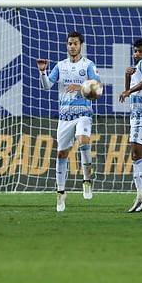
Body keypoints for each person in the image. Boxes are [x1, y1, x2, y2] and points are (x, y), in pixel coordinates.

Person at [37, 31, 101, 212]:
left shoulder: (88, 65)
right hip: (64, 116)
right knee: (61, 155)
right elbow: (47, 86)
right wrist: (43, 72)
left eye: (75, 43)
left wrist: (81, 87)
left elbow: (98, 88)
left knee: (83, 140)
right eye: (70, 44)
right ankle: (60, 193)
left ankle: (87, 180)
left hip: (83, 113)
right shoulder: (60, 66)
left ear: (81, 45)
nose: (72, 46)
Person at [119, 38, 142, 212]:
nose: (137, 54)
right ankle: (141, 194)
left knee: (137, 154)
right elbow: (128, 92)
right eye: (135, 51)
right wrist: (127, 78)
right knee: (134, 156)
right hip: (135, 115)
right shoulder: (135, 70)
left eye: (141, 51)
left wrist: (129, 90)